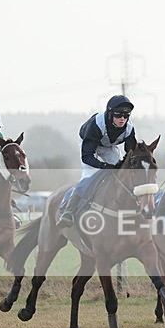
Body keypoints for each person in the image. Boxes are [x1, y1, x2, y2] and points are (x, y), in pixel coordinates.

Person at [56, 95, 136, 228]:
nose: (122, 119)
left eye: (126, 115)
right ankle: (68, 212)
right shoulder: (96, 125)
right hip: (89, 145)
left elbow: (131, 152)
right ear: (110, 114)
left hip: (109, 146)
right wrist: (103, 166)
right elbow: (87, 156)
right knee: (89, 176)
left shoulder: (129, 128)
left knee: (120, 173)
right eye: (118, 115)